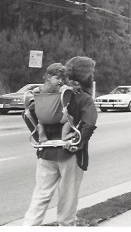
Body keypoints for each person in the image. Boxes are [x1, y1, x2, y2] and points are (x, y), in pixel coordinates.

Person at [23, 56, 97, 226]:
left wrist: (41, 139)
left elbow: (28, 114)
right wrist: (77, 143)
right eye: (91, 71)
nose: (93, 74)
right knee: (67, 203)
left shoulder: (46, 93)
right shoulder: (82, 97)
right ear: (85, 74)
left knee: (40, 198)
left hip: (46, 153)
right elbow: (89, 123)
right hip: (70, 155)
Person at [33, 63, 74, 143]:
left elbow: (34, 91)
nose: (60, 81)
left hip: (41, 119)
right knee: (70, 118)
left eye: (62, 79)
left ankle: (42, 135)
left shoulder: (41, 88)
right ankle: (64, 135)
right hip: (57, 118)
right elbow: (70, 91)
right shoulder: (61, 89)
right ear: (48, 77)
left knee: (39, 122)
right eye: (57, 78)